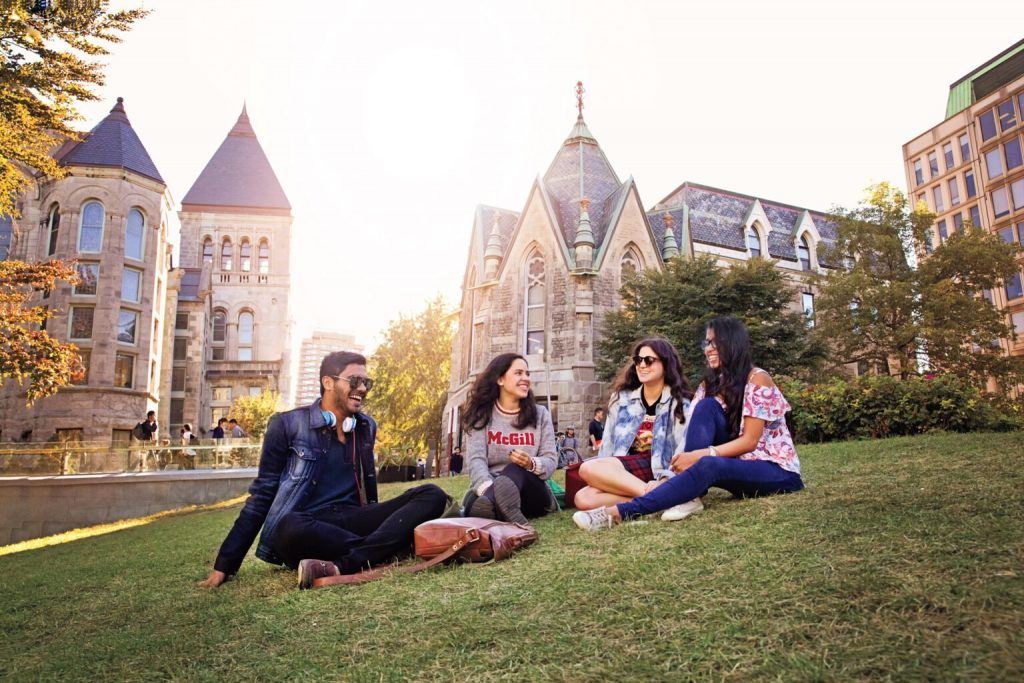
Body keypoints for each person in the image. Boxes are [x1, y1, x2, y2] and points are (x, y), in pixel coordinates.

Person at [199, 351, 449, 590]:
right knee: (289, 526)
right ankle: (389, 548)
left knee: (432, 494)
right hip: (308, 526)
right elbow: (262, 494)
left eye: (366, 382)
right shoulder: (287, 424)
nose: (362, 388)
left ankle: (348, 563)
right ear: (327, 382)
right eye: (355, 380)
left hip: (351, 522)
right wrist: (225, 564)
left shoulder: (364, 426)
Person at [573, 317, 805, 531]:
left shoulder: (757, 378)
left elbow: (750, 441)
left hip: (775, 471)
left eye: (715, 343)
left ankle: (618, 514)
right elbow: (694, 432)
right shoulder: (709, 385)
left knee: (708, 463)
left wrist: (703, 454)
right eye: (707, 343)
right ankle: (685, 494)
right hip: (734, 469)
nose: (709, 349)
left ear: (733, 344)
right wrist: (691, 461)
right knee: (705, 409)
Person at [573, 338, 698, 514]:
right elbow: (608, 443)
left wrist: (667, 478)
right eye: (638, 360)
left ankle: (661, 493)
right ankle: (663, 499)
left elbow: (682, 450)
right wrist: (601, 477)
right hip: (626, 469)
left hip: (660, 468)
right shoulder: (622, 400)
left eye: (649, 360)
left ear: (666, 364)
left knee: (587, 467)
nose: (642, 365)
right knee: (583, 498)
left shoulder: (679, 403)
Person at [461, 353, 558, 525]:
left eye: (527, 374)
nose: (526, 378)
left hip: (531, 491)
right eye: (518, 373)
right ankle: (493, 505)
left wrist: (530, 463)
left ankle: (491, 506)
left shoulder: (541, 414)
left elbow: (550, 460)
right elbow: (476, 460)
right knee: (475, 501)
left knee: (515, 469)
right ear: (500, 379)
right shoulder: (481, 415)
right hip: (490, 485)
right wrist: (488, 488)